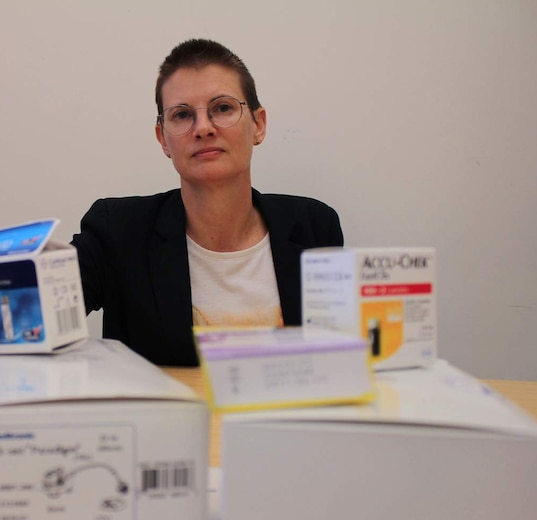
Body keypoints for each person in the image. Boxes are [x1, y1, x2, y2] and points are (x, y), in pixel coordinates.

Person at [71, 38, 343, 367]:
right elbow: (31, 312)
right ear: (163, 139)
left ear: (258, 124)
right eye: (182, 114)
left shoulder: (315, 226)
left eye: (223, 108)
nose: (203, 128)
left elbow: (337, 361)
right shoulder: (116, 230)